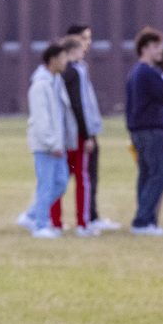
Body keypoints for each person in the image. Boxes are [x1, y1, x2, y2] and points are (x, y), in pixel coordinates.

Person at [50, 24, 111, 233]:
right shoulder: (77, 71)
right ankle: (83, 223)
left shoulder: (58, 74)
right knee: (82, 178)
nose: (84, 50)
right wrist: (88, 134)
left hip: (62, 133)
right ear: (71, 51)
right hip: (77, 133)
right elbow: (80, 105)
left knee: (59, 177)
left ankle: (55, 222)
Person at [123, 28, 163, 235]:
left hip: (138, 130)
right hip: (152, 129)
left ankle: (147, 219)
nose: (159, 51)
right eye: (155, 47)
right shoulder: (148, 73)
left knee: (146, 175)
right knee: (158, 174)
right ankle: (143, 221)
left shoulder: (134, 73)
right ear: (144, 49)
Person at [20, 43, 74, 239]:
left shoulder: (55, 81)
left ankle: (31, 215)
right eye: (62, 58)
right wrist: (52, 143)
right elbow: (41, 119)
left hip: (57, 144)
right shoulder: (40, 85)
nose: (65, 61)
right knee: (46, 184)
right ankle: (40, 225)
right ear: (53, 60)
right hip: (46, 145)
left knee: (60, 183)